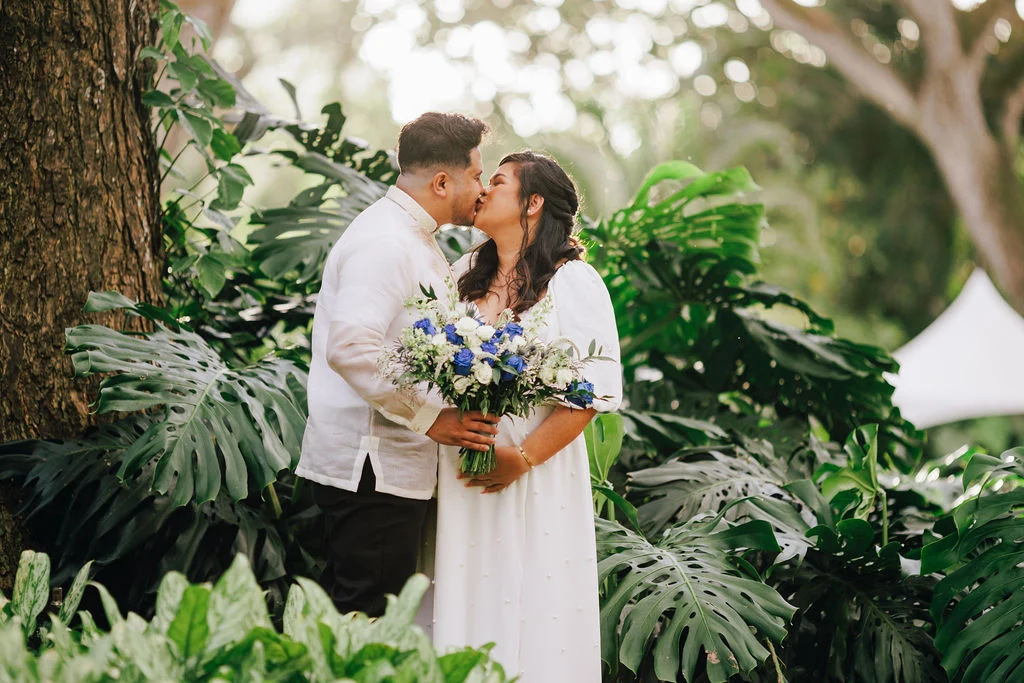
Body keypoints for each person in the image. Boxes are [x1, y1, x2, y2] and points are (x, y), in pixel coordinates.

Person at [296, 112, 501, 617]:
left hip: (382, 472)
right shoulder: (387, 243)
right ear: (441, 181)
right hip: (372, 470)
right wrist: (435, 419)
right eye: (476, 175)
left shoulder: (412, 239)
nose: (481, 187)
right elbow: (350, 347)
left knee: (357, 619)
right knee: (365, 623)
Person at [431, 151, 623, 681]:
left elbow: (589, 393)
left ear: (533, 203)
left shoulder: (573, 283)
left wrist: (522, 457)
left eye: (496, 181)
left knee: (537, 602)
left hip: (535, 474)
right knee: (465, 600)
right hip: (461, 467)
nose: (483, 191)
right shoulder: (463, 274)